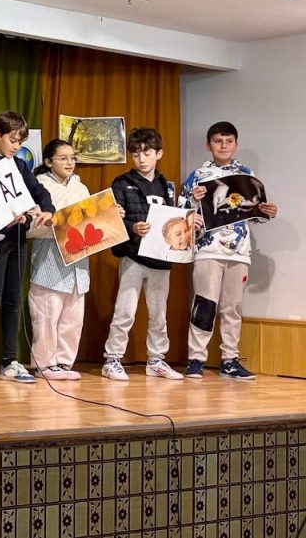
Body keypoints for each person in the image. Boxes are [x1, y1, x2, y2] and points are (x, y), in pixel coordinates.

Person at [181, 121, 279, 380]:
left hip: (238, 250)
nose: (223, 146)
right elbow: (180, 210)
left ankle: (230, 360)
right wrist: (193, 202)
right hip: (207, 249)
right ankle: (196, 359)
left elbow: (254, 211)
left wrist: (268, 212)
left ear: (236, 144)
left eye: (229, 141)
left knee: (233, 307)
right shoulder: (198, 176)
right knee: (204, 304)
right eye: (217, 141)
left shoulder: (246, 174)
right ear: (208, 145)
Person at [0, 111, 54, 385]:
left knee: (14, 301)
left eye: (20, 141)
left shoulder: (20, 165)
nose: (16, 146)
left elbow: (39, 192)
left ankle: (10, 360)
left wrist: (47, 210)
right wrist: (6, 219)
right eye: (13, 140)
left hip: (17, 240)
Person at [102, 127, 184, 382]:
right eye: (136, 153)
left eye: (147, 152)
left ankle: (156, 359)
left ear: (158, 153)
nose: (141, 158)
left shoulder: (166, 186)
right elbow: (112, 219)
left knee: (159, 313)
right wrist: (132, 228)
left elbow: (173, 221)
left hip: (160, 259)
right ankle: (112, 359)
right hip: (133, 256)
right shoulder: (122, 183)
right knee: (125, 310)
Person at [27, 139, 92, 381]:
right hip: (50, 260)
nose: (69, 162)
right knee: (46, 314)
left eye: (73, 158)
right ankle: (45, 363)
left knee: (73, 317)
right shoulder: (40, 187)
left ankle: (65, 362)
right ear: (48, 162)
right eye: (62, 158)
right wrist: (55, 223)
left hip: (78, 261)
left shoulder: (81, 187)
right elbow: (31, 227)